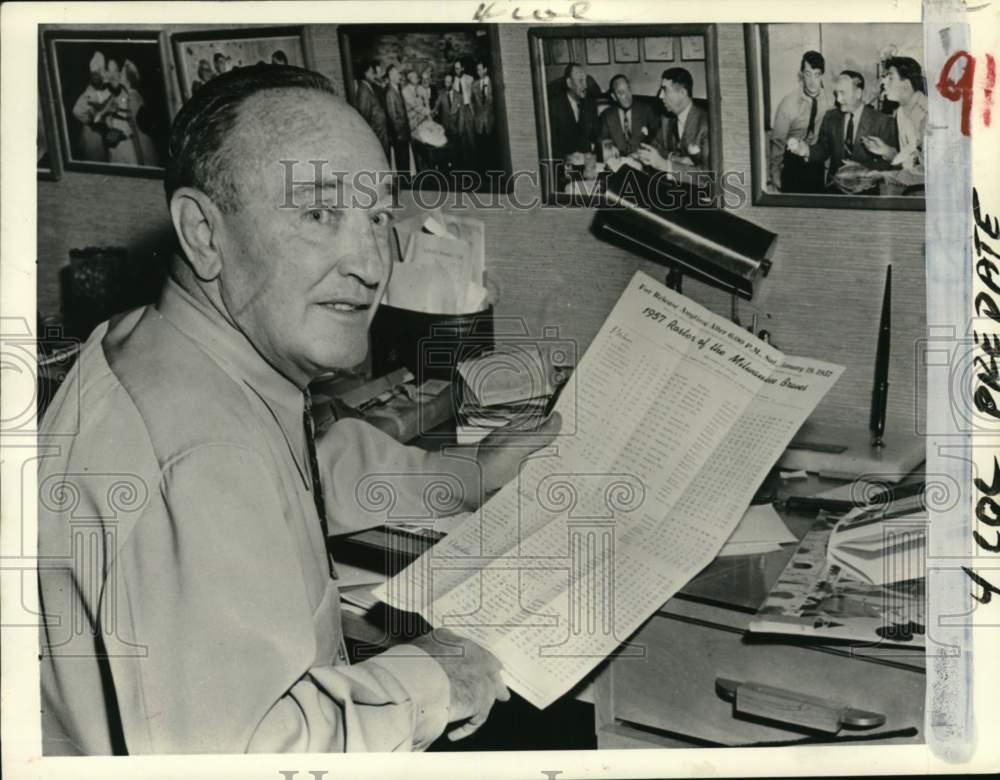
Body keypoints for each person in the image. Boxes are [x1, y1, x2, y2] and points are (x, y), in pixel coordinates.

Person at [38, 63, 560, 755]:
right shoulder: (200, 456)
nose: (370, 265)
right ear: (202, 232)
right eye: (319, 214)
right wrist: (435, 677)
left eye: (377, 218)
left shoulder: (165, 343)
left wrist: (464, 476)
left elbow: (291, 475)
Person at [787, 70, 897, 193]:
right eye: (836, 93)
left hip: (866, 193)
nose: (838, 99)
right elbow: (823, 149)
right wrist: (806, 150)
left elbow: (889, 163)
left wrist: (860, 170)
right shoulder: (830, 118)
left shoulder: (882, 122)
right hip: (834, 190)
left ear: (858, 93)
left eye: (842, 93)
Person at [768, 50, 833, 193]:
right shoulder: (788, 103)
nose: (812, 81)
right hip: (792, 162)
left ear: (822, 75)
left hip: (816, 160)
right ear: (801, 74)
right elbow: (778, 141)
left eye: (817, 75)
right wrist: (775, 174)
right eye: (808, 74)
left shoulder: (830, 101)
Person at [862, 56, 927, 192]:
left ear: (906, 85)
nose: (884, 83)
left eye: (890, 78)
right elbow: (910, 162)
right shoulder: (901, 113)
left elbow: (927, 172)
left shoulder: (928, 114)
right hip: (912, 191)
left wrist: (883, 176)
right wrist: (887, 151)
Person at [637, 68, 711, 175]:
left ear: (683, 93)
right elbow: (653, 149)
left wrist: (665, 165)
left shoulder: (706, 124)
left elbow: (707, 175)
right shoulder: (667, 119)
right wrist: (675, 158)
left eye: (665, 90)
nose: (660, 96)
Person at [597, 73, 658, 158]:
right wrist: (610, 148)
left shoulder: (646, 110)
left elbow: (657, 136)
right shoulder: (607, 115)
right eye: (621, 93)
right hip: (618, 161)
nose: (627, 96)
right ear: (614, 96)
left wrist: (644, 152)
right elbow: (601, 138)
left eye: (628, 90)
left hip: (641, 160)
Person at [548, 62, 598, 162]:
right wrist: (566, 157)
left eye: (585, 80)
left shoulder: (590, 104)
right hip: (563, 164)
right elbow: (550, 144)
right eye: (580, 81)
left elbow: (594, 136)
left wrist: (590, 152)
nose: (585, 86)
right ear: (569, 83)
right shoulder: (554, 106)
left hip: (586, 163)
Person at [71, 51, 111, 162]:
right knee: (96, 157)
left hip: (105, 132)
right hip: (93, 135)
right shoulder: (89, 91)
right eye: (93, 75)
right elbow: (76, 111)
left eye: (98, 75)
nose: (96, 77)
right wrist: (90, 121)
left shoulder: (105, 88)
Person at [354, 59, 390, 160]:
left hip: (380, 132)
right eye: (371, 72)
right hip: (376, 134)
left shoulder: (368, 87)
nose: (374, 75)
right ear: (365, 74)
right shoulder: (363, 92)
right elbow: (364, 117)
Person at [384, 64, 412, 175]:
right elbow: (392, 117)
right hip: (399, 136)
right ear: (390, 76)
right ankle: (405, 187)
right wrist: (399, 135)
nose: (399, 76)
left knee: (405, 163)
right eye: (397, 74)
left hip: (403, 134)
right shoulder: (390, 93)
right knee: (402, 164)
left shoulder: (397, 89)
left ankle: (407, 185)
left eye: (399, 73)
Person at [450, 59, 476, 170]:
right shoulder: (453, 82)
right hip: (459, 112)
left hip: (468, 109)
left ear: (463, 68)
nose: (457, 70)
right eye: (455, 68)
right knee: (462, 138)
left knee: (471, 138)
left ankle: (475, 164)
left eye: (458, 68)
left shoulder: (470, 79)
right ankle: (465, 167)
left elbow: (475, 96)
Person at [471, 60, 497, 170]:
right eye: (477, 70)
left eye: (480, 69)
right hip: (479, 122)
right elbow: (472, 102)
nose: (478, 72)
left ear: (486, 69)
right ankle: (482, 172)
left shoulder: (494, 84)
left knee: (492, 147)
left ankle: (492, 170)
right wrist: (474, 116)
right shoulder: (475, 85)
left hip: (491, 120)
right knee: (481, 148)